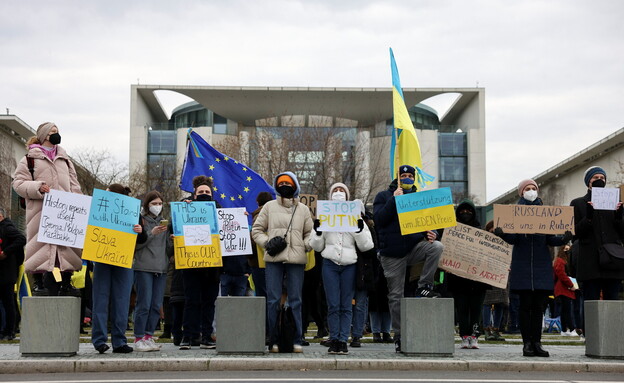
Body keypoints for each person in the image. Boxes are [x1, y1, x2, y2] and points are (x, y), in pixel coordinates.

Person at [495, 179, 571, 358]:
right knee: (525, 306)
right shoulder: (514, 214)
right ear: (521, 193)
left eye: (533, 188)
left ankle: (537, 342)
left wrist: (564, 238)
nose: (531, 191)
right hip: (522, 267)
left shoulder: (545, 214)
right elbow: (513, 239)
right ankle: (526, 343)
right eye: (527, 189)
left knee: (538, 307)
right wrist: (502, 234)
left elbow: (551, 239)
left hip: (541, 267)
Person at [373, 164, 444, 352]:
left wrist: (433, 232)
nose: (406, 178)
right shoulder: (383, 196)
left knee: (436, 247)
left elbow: (430, 222)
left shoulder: (419, 198)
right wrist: (394, 201)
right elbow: (379, 220)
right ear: (397, 178)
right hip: (391, 254)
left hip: (413, 248)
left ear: (414, 178)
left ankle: (425, 286)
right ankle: (400, 336)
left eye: (409, 176)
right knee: (396, 296)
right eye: (403, 175)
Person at [12, 122, 83, 296]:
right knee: (39, 247)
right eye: (52, 132)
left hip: (64, 212)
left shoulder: (66, 160)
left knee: (66, 248)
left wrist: (78, 205)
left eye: (57, 131)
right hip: (40, 211)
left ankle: (66, 282)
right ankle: (38, 284)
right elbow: (18, 184)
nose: (56, 134)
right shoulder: (29, 159)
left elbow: (74, 185)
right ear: (44, 135)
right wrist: (38, 187)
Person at [251, 171, 314, 353]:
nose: (284, 186)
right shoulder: (269, 207)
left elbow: (310, 233)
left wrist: (306, 246)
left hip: (296, 259)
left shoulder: (303, 209)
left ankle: (296, 339)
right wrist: (266, 243)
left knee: (296, 300)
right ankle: (274, 340)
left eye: (288, 183)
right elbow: (257, 230)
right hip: (273, 259)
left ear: (295, 186)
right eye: (281, 183)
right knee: (273, 300)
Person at [309, 183, 374, 355]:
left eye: (342, 191)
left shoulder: (354, 216)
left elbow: (368, 245)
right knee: (333, 304)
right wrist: (317, 231)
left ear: (347, 196)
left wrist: (359, 230)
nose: (338, 193)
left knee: (346, 305)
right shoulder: (325, 216)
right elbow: (316, 246)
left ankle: (343, 340)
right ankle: (335, 338)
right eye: (335, 191)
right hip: (330, 263)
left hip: (349, 265)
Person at [90, 184, 145, 354]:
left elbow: (143, 238)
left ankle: (119, 341)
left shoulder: (132, 211)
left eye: (107, 193)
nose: (104, 196)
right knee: (100, 300)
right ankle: (99, 340)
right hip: (102, 258)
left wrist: (140, 231)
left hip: (123, 260)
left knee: (121, 301)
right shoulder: (98, 208)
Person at [178, 175, 221, 350]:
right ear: (194, 195)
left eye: (207, 192)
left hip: (212, 265)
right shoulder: (184, 208)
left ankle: (206, 336)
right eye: (201, 192)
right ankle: (188, 336)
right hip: (191, 264)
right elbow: (175, 229)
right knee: (191, 301)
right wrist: (184, 210)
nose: (204, 193)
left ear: (212, 194)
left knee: (209, 302)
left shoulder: (219, 210)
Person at [569, 166, 624, 302]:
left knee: (612, 304)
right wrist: (588, 217)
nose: (599, 180)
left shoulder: (615, 203)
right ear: (588, 181)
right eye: (595, 178)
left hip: (612, 261)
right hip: (590, 263)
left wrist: (619, 217)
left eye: (602, 178)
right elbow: (574, 234)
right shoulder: (578, 203)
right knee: (590, 304)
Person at [447, 199, 489, 349]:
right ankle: (464, 336)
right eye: (462, 211)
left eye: (469, 211)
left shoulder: (482, 232)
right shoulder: (451, 231)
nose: (466, 214)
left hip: (477, 281)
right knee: (462, 309)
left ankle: (475, 336)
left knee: (476, 309)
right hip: (458, 279)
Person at [132, 191, 172, 352]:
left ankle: (149, 336)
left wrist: (171, 241)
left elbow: (167, 250)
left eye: (160, 203)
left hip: (161, 269)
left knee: (156, 304)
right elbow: (136, 246)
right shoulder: (141, 221)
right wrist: (151, 234)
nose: (157, 206)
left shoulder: (165, 224)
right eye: (154, 203)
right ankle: (138, 337)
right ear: (147, 205)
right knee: (144, 304)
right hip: (143, 268)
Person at [0, 207, 26, 340]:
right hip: (4, 272)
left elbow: (22, 239)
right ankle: (4, 329)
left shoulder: (7, 228)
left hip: (6, 272)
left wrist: (5, 253)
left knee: (8, 302)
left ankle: (10, 330)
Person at [482, 221, 509, 342]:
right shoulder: (483, 242)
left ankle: (496, 329)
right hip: (487, 274)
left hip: (501, 274)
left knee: (501, 303)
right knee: (487, 303)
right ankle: (487, 329)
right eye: (491, 230)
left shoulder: (505, 241)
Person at [553, 244, 577, 336]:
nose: (568, 251)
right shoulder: (560, 261)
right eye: (566, 249)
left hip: (563, 288)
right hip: (563, 288)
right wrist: (571, 284)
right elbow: (561, 275)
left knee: (564, 310)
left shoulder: (560, 261)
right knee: (567, 310)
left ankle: (564, 329)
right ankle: (571, 329)